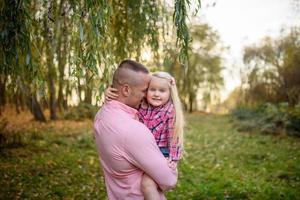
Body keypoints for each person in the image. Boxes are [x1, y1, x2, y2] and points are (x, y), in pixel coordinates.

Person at [93, 60, 178, 200]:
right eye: (145, 90)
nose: (147, 96)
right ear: (126, 90)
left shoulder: (101, 115)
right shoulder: (134, 130)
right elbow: (169, 180)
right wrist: (174, 166)